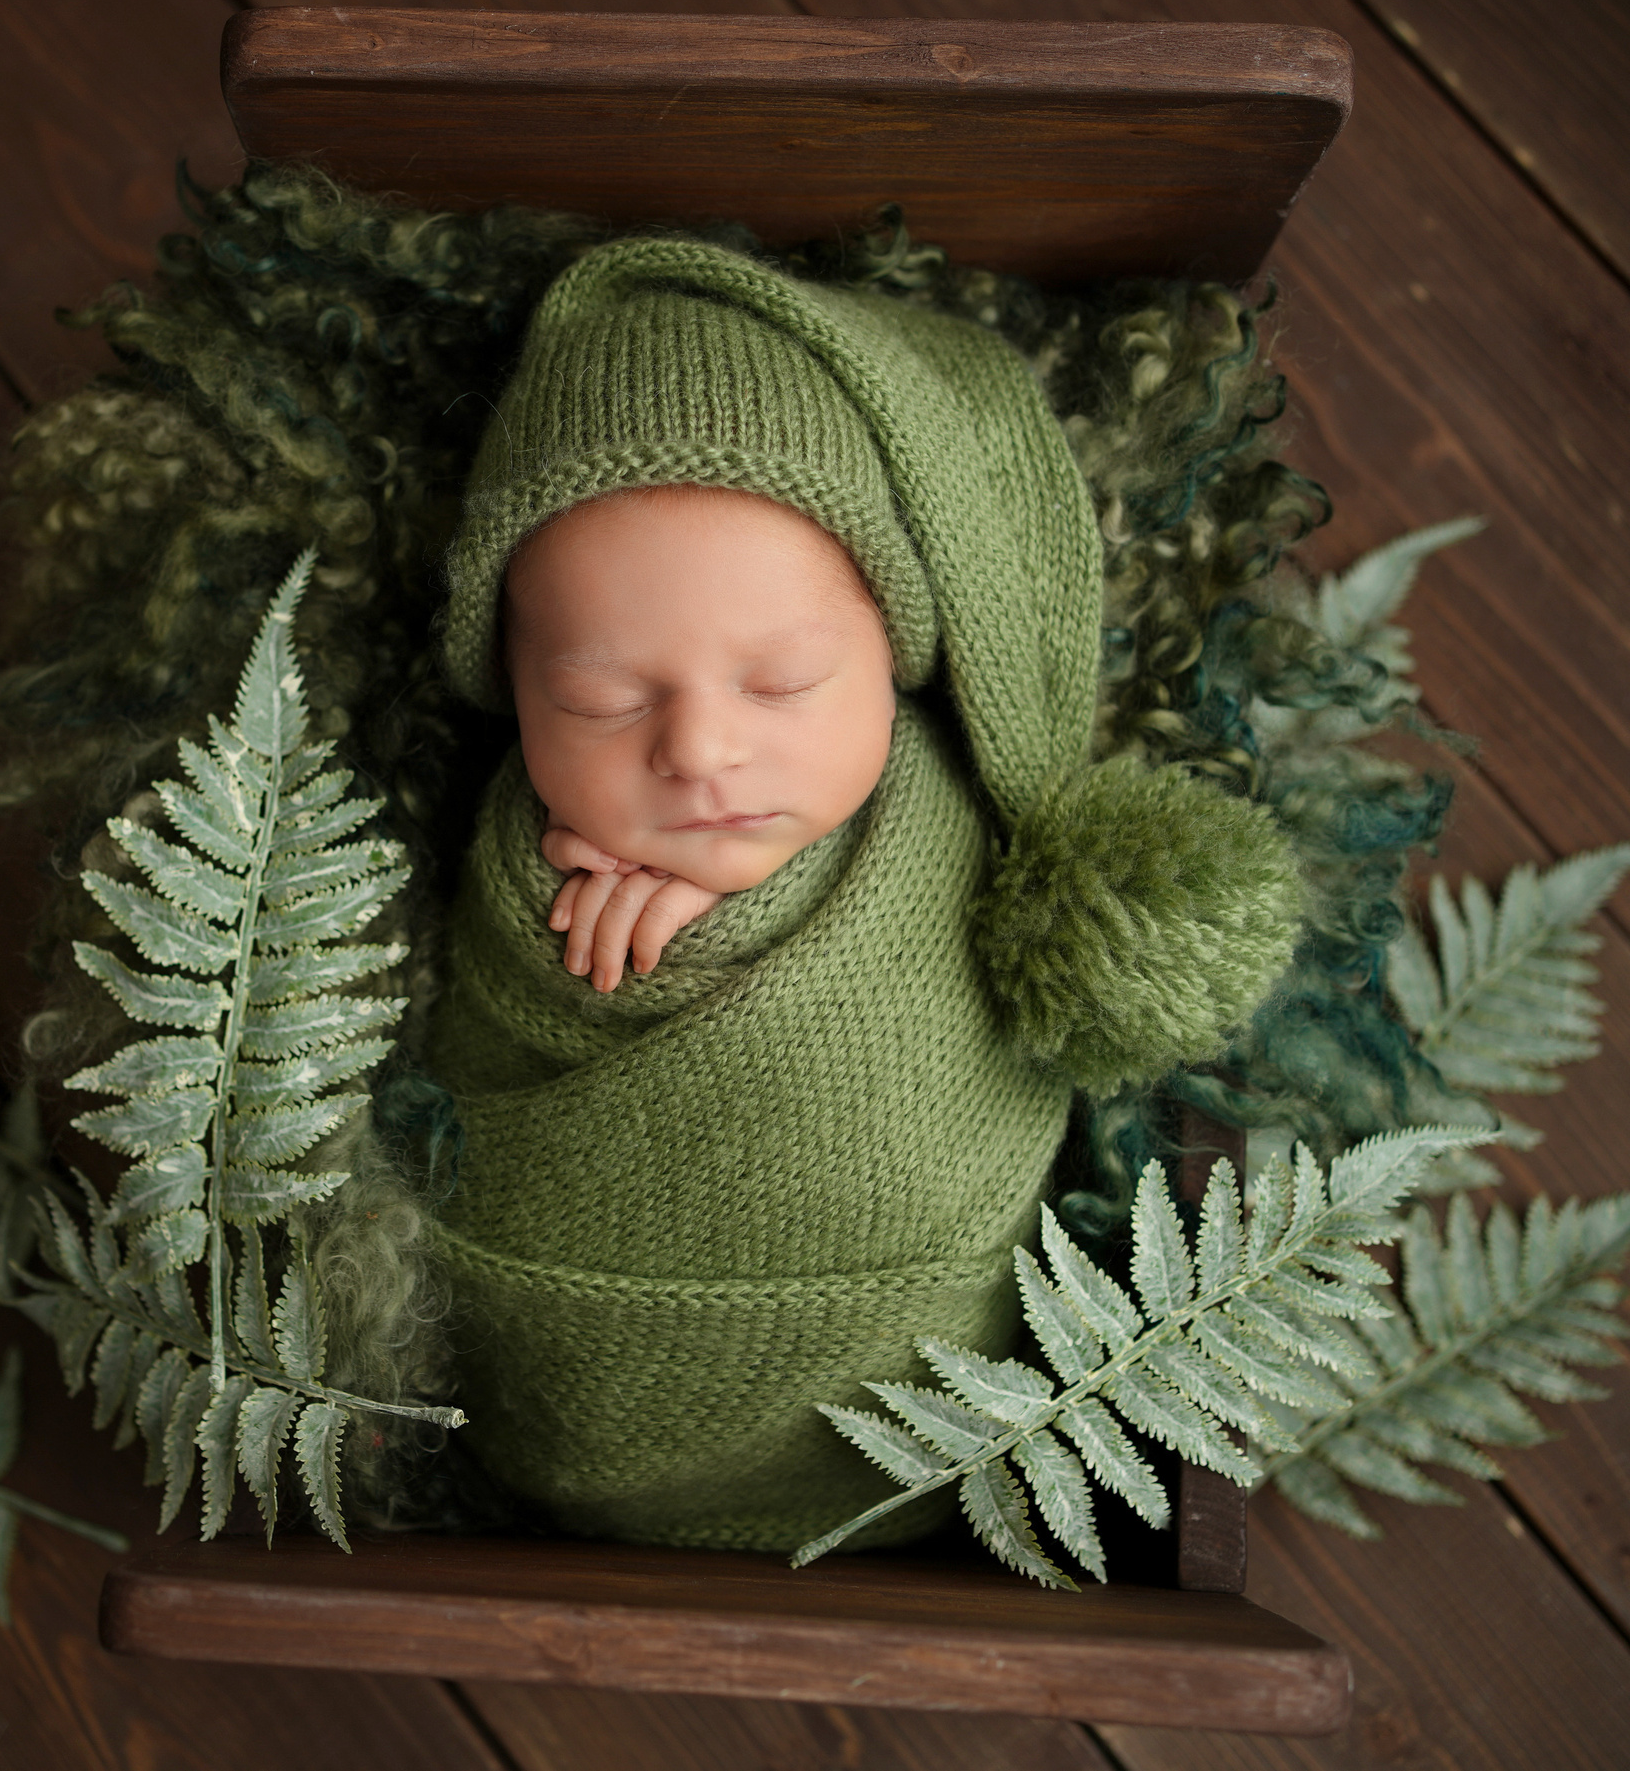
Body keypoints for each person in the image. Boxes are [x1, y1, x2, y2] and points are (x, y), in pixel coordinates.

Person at [419, 236, 1304, 1552]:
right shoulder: (511, 881)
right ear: (509, 692)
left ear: (898, 653)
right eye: (602, 700)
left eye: (780, 684)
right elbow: (439, 1107)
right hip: (574, 1439)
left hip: (945, 1426)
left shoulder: (961, 832)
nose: (702, 752)